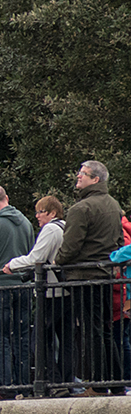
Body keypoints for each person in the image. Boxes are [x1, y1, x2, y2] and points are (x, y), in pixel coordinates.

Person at [53, 160, 124, 391]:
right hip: (105, 274)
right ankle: (116, 381)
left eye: (83, 174)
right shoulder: (114, 206)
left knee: (89, 331)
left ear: (96, 179)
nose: (78, 177)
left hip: (83, 275)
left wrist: (58, 261)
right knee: (104, 329)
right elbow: (119, 242)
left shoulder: (81, 209)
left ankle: (98, 384)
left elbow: (71, 246)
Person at [5, 196, 68, 384]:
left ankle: (51, 382)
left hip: (50, 293)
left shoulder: (50, 229)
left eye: (41, 211)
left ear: (52, 213)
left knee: (40, 340)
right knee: (65, 341)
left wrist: (12, 264)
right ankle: (66, 381)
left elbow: (36, 258)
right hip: (65, 291)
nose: (37, 216)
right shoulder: (65, 227)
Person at [0, 185, 36, 388]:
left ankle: (5, 384)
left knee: (0, 335)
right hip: (23, 286)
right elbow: (32, 255)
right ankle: (23, 381)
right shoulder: (26, 223)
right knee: (22, 335)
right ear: (7, 198)